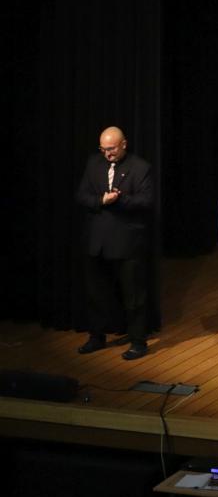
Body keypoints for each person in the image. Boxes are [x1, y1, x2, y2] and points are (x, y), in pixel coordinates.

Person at [75, 126, 153, 360]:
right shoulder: (93, 164)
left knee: (133, 296)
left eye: (111, 149)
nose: (107, 153)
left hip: (126, 242)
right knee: (95, 293)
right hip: (97, 240)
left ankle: (138, 342)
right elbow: (82, 195)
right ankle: (96, 337)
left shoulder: (140, 167)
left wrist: (120, 199)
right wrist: (101, 200)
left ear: (123, 144)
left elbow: (146, 201)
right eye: (103, 149)